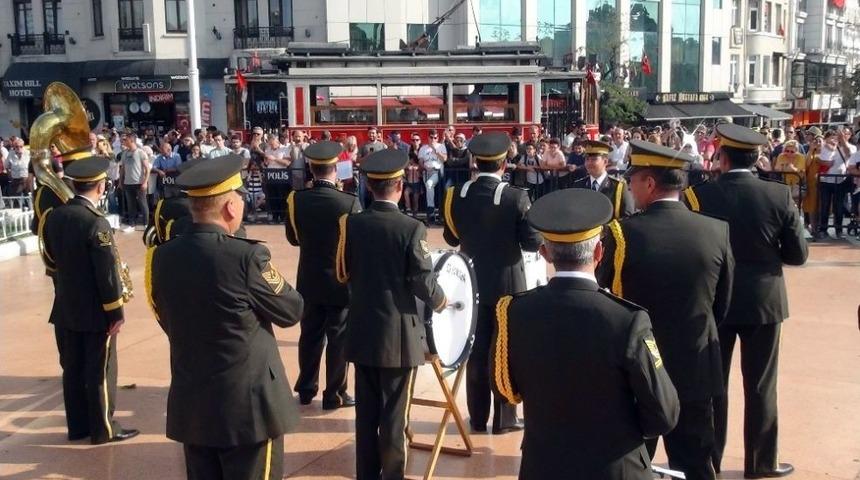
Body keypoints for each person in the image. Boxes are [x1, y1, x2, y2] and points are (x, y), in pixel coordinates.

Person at [493, 187, 679, 479]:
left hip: (544, 467)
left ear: (544, 253)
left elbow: (506, 390)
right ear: (599, 251)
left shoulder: (514, 311)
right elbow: (664, 413)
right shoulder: (628, 319)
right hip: (615, 467)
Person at [147, 154, 304, 480]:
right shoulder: (246, 257)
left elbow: (165, 314)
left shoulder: (163, 257)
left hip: (194, 406)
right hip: (248, 410)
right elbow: (291, 310)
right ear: (231, 207)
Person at [598, 140, 734, 480]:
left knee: (632, 463)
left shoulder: (621, 233)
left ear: (649, 183)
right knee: (696, 462)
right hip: (695, 366)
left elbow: (609, 300)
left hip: (637, 371)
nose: (629, 187)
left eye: (634, 179)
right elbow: (722, 305)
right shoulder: (716, 231)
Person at [683, 123, 809, 479]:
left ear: (721, 156)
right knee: (761, 385)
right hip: (763, 303)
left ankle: (710, 461)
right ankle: (761, 463)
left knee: (712, 386)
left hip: (713, 301)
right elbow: (798, 255)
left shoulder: (700, 196)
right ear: (758, 158)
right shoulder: (778, 195)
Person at [335, 149, 447, 480]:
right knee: (395, 419)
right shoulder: (411, 228)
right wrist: (443, 302)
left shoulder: (352, 223)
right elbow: (421, 281)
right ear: (400, 186)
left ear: (369, 186)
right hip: (398, 336)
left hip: (363, 330)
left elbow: (343, 271)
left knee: (366, 417)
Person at [442, 132, 543, 434]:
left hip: (470, 283)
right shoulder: (517, 196)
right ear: (504, 162)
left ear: (475, 161)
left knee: (476, 350)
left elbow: (451, 237)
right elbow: (532, 243)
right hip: (507, 285)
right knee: (504, 352)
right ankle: (505, 419)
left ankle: (477, 418)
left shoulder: (455, 195)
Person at [42, 156, 139, 445]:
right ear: (100, 186)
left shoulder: (55, 216)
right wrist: (115, 311)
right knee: (100, 369)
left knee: (73, 369)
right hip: (96, 309)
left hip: (65, 305)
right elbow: (106, 273)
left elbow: (49, 258)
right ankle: (103, 428)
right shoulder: (95, 222)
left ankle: (79, 426)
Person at [285, 141, 361, 410]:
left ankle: (306, 388)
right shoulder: (349, 202)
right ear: (335, 169)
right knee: (339, 338)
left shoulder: (296, 200)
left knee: (310, 335)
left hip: (308, 278)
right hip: (340, 280)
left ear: (311, 168)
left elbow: (293, 239)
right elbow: (356, 245)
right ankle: (335, 393)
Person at [571, 140, 634, 219]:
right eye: (587, 159)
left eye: (594, 159)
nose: (589, 163)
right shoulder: (578, 185)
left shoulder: (619, 187)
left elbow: (627, 217)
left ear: (605, 161)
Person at [119, 133, 151, 232]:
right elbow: (122, 169)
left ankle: (146, 223)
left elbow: (147, 169)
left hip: (139, 182)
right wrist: (120, 182)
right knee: (130, 204)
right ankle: (132, 224)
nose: (124, 141)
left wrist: (145, 182)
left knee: (143, 203)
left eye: (126, 140)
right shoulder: (124, 153)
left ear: (131, 140)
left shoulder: (141, 153)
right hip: (128, 183)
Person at [419, 129, 447, 223]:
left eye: (435, 137)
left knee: (429, 184)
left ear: (438, 138)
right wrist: (425, 168)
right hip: (427, 172)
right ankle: (431, 212)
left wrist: (436, 151)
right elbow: (420, 162)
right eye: (431, 137)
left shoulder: (441, 146)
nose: (433, 139)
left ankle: (431, 211)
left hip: (437, 172)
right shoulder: (423, 148)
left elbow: (444, 159)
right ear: (428, 137)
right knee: (429, 187)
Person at [357, 126, 387, 208]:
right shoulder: (363, 146)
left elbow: (387, 159)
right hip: (365, 173)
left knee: (378, 193)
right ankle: (362, 209)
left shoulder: (383, 146)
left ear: (377, 134)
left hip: (378, 173)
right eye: (370, 133)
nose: (371, 135)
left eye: (373, 133)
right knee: (363, 193)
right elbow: (358, 160)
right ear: (367, 134)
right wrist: (367, 156)